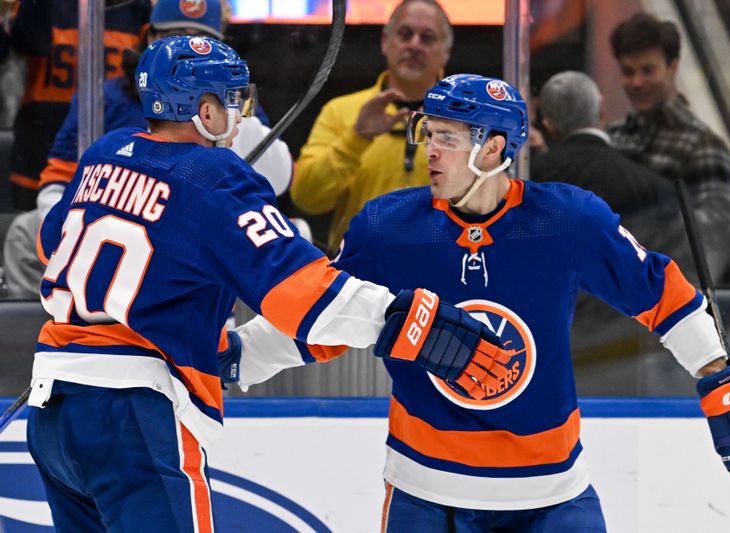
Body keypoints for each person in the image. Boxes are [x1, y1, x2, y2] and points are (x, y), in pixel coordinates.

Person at [244, 74, 730, 531]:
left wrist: (719, 373)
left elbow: (658, 293)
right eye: (428, 133)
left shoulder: (566, 221)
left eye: (447, 137)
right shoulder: (387, 229)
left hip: (551, 496)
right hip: (426, 494)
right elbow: (322, 315)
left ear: (495, 148)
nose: (429, 149)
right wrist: (237, 353)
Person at [25, 36, 511, 531]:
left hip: (53, 408)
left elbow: (52, 245)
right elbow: (304, 293)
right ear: (205, 112)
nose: (241, 118)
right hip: (133, 414)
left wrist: (220, 343)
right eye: (235, 101)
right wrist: (420, 328)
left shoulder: (106, 152)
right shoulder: (214, 175)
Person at [2, 0, 294, 299]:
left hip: (195, 227)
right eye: (177, 37)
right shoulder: (106, 98)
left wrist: (230, 108)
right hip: (114, 219)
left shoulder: (231, 101)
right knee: (26, 231)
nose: (190, 55)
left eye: (203, 42)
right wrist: (76, 229)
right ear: (151, 38)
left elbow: (279, 178)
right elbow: (61, 176)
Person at [290, 0, 453, 253]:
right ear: (385, 42)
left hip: (444, 269)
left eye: (428, 38)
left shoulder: (465, 119)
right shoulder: (341, 111)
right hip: (356, 275)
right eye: (405, 34)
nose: (414, 45)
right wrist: (356, 138)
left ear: (445, 52)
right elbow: (306, 198)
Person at [607, 11, 730, 283]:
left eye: (648, 70)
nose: (636, 82)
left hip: (671, 299)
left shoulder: (702, 145)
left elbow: (715, 238)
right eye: (628, 72)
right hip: (614, 299)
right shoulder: (612, 138)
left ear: (673, 66)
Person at [531, 70, 698, 282]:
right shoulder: (654, 187)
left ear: (548, 125)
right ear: (601, 108)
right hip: (628, 311)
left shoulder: (530, 182)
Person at [1, 0, 151, 210]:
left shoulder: (137, 8)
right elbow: (31, 44)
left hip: (113, 160)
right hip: (38, 149)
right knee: (29, 229)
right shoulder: (40, 6)